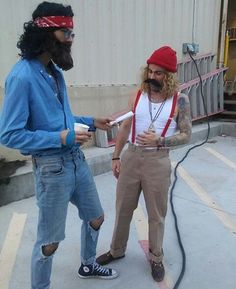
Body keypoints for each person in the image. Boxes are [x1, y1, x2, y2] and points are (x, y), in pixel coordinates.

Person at [0, 2, 118, 289]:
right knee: (50, 241)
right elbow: (10, 135)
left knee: (96, 217)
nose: (70, 40)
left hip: (76, 161)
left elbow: (59, 119)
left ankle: (88, 264)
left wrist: (91, 121)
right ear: (45, 32)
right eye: (66, 32)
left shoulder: (54, 72)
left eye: (72, 33)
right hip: (52, 170)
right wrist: (59, 138)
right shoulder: (21, 77)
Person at [96, 46, 192, 282]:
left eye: (159, 73)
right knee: (123, 208)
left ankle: (156, 257)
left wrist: (160, 140)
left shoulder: (180, 100)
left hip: (157, 160)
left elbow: (186, 135)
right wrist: (116, 156)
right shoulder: (137, 95)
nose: (152, 77)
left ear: (169, 76)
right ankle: (116, 250)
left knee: (156, 214)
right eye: (150, 71)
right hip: (131, 156)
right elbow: (126, 127)